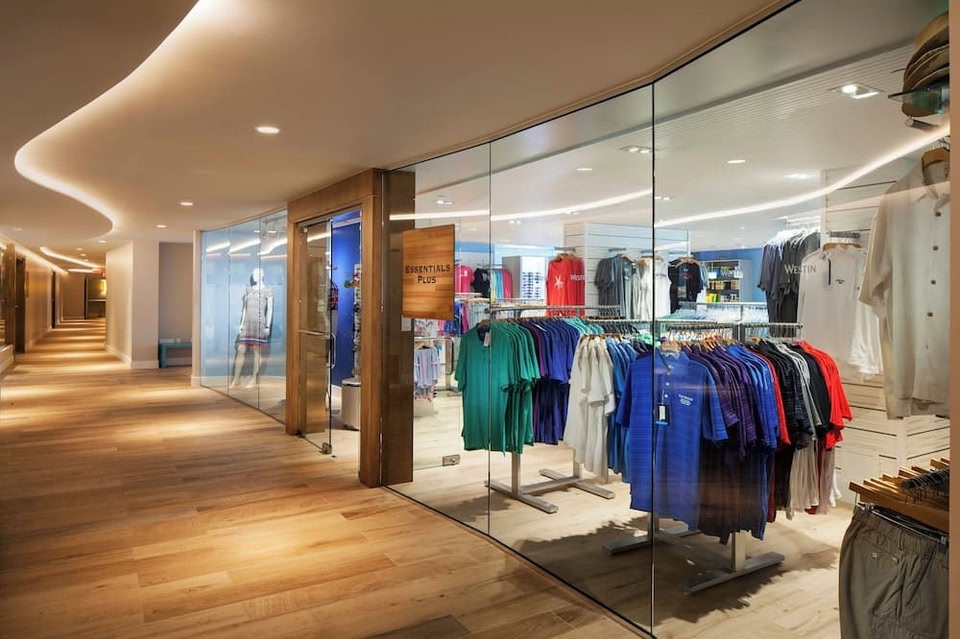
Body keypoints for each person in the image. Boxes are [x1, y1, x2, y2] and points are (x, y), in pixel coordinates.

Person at [230, 268, 274, 388]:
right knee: (241, 349)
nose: (254, 275)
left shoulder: (268, 290)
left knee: (256, 351)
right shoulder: (248, 289)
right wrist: (241, 324)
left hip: (259, 324)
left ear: (262, 275)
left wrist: (267, 326)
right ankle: (236, 379)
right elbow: (244, 308)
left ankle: (254, 379)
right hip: (247, 324)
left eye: (257, 273)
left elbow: (270, 309)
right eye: (253, 273)